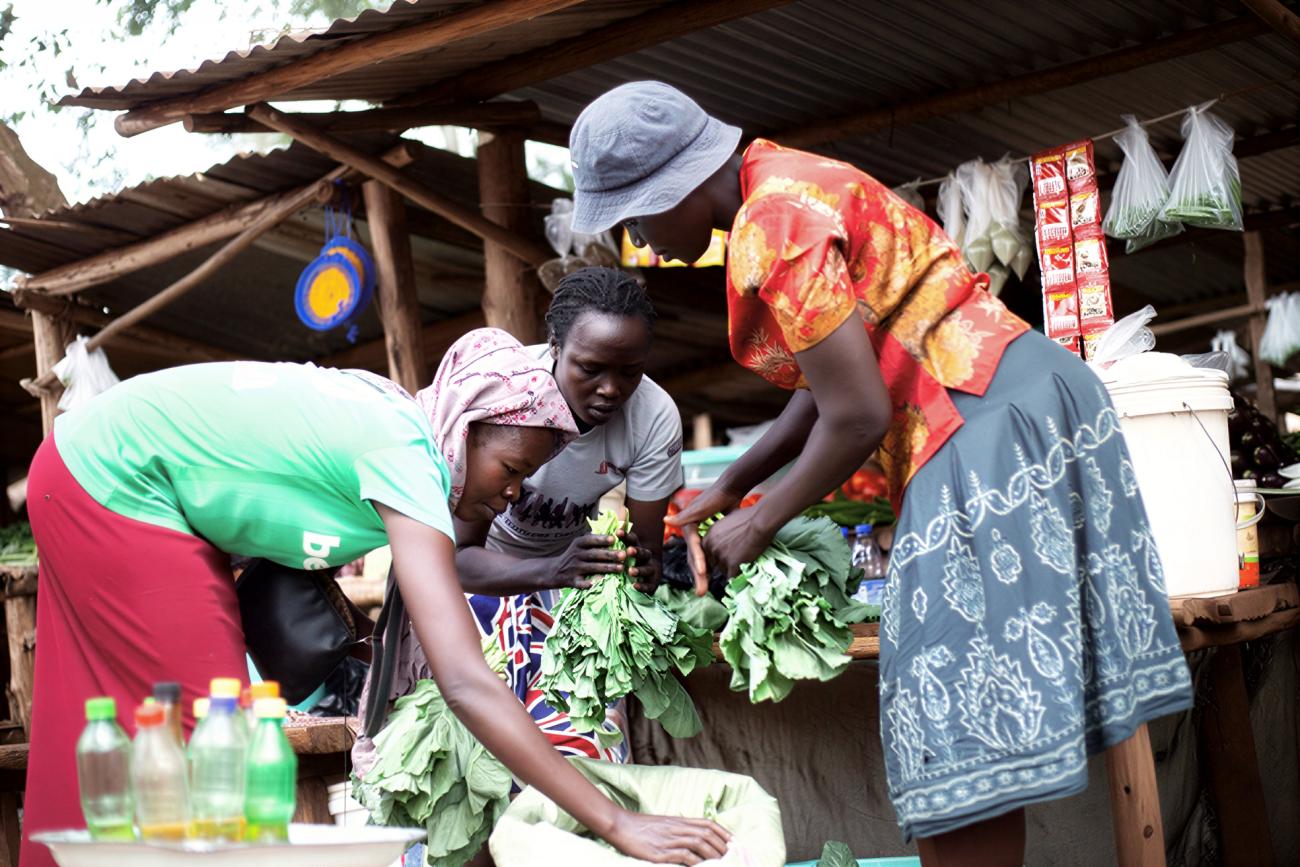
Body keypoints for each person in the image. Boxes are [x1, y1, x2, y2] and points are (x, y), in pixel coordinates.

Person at [566, 81, 1192, 867]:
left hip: (978, 415)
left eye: (636, 215)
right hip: (1016, 400)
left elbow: (857, 414)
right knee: (971, 719)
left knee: (949, 718)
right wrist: (733, 485)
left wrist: (759, 522)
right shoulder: (781, 180)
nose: (643, 239)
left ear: (676, 184)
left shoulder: (774, 223)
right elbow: (828, 383)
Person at [21, 328, 728, 867]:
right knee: (216, 737)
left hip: (85, 461)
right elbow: (464, 680)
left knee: (91, 725)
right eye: (511, 467)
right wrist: (616, 820)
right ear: (469, 424)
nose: (513, 493)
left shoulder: (402, 419)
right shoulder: (409, 457)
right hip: (118, 482)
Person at [358, 267, 684, 766]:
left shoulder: (653, 417)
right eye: (591, 368)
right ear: (555, 345)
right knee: (471, 755)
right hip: (473, 588)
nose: (611, 389)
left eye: (630, 372)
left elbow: (647, 557)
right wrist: (550, 570)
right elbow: (456, 560)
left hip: (569, 591)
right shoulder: (507, 398)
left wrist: (634, 568)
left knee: (580, 747)